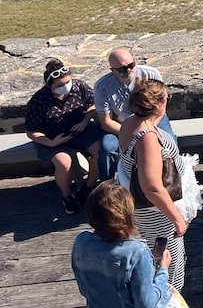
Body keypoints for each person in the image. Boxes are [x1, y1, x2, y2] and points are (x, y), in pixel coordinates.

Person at [119, 79, 188, 291]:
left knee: (153, 259)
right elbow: (151, 187)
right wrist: (178, 219)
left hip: (145, 210)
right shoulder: (148, 137)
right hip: (157, 214)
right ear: (159, 103)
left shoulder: (129, 122)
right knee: (167, 264)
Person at [71, 180, 174, 308]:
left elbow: (84, 290)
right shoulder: (137, 251)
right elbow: (146, 304)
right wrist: (163, 270)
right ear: (127, 215)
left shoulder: (82, 241)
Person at [25, 59, 103, 214]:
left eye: (67, 82)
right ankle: (67, 195)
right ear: (50, 86)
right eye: (59, 85)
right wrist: (52, 142)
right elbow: (32, 131)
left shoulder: (79, 86)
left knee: (101, 150)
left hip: (79, 130)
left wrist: (84, 121)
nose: (65, 87)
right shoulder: (38, 101)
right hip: (53, 137)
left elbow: (94, 104)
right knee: (63, 162)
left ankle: (88, 187)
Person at [93, 48, 173, 181]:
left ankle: (168, 179)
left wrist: (146, 131)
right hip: (120, 125)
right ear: (112, 70)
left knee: (169, 141)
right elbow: (106, 122)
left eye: (131, 65)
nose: (129, 71)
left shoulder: (151, 74)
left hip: (153, 118)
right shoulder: (102, 86)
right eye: (123, 69)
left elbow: (161, 107)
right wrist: (132, 133)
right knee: (108, 149)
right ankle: (109, 187)